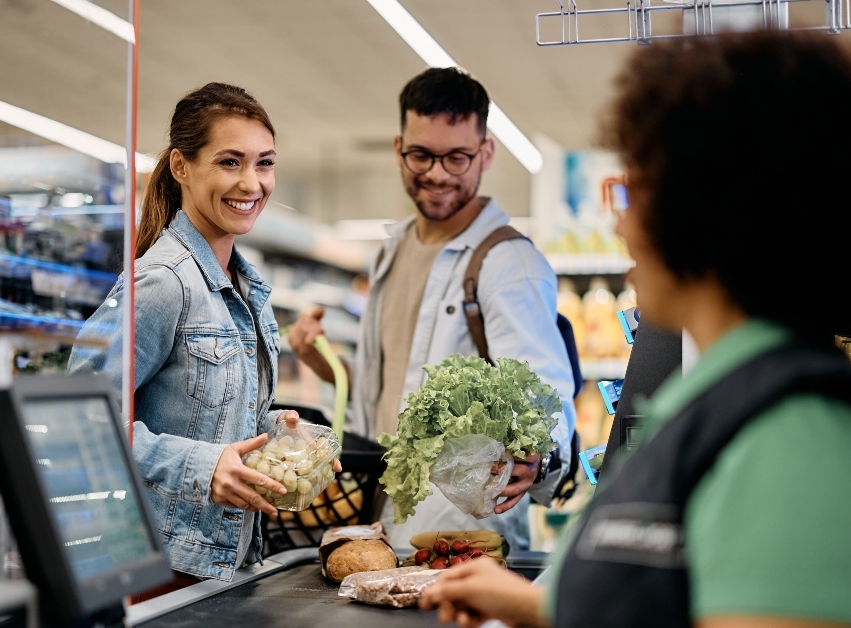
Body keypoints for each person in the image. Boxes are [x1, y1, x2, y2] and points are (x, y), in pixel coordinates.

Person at [420, 32, 851, 628]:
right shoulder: (728, 395)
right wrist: (534, 606)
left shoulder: (795, 435)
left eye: (639, 190)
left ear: (712, 210)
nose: (622, 220)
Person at [288, 68, 577, 549]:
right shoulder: (392, 250)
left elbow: (545, 395)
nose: (437, 173)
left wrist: (538, 459)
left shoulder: (508, 263)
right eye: (421, 155)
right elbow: (397, 394)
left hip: (462, 536)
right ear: (400, 147)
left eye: (457, 157)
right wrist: (328, 365)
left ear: (485, 153)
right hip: (380, 523)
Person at [68, 83, 337, 585]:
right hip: (158, 567)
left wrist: (280, 435)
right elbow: (77, 420)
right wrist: (203, 466)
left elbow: (198, 413)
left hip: (220, 567)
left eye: (264, 163)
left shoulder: (246, 284)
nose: (252, 183)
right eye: (230, 162)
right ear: (180, 167)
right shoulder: (163, 282)